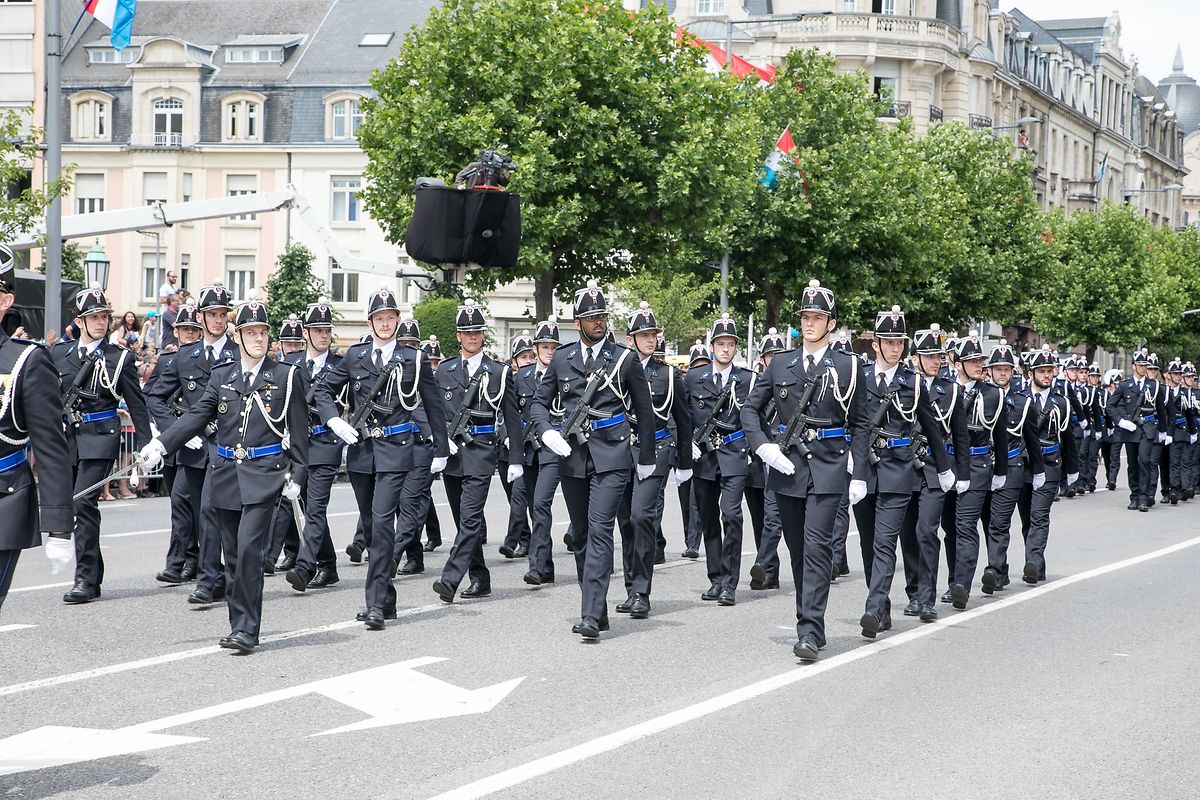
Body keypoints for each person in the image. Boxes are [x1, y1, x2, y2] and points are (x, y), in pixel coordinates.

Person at [140, 294, 309, 654]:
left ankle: (249, 629)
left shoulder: (286, 377)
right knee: (231, 554)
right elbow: (196, 417)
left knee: (248, 549)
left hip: (266, 475)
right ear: (240, 334)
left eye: (263, 332)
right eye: (251, 332)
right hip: (226, 473)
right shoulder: (222, 377)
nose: (258, 338)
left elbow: (300, 436)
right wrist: (161, 445)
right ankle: (238, 624)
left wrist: (297, 478)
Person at [741, 279, 870, 662]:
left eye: (818, 317)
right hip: (787, 468)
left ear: (831, 323)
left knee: (816, 549)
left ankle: (809, 630)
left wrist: (859, 471)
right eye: (805, 317)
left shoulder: (848, 366)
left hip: (829, 467)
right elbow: (750, 409)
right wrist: (763, 446)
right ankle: (811, 620)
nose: (810, 323)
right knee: (797, 551)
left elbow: (861, 422)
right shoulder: (781, 362)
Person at [528, 280, 655, 639]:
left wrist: (645, 457)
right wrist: (547, 431)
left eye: (601, 316)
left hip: (613, 454)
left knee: (600, 530)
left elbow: (644, 412)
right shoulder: (562, 358)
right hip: (572, 457)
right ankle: (596, 610)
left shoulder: (623, 358)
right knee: (581, 534)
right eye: (590, 317)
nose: (597, 322)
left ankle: (589, 615)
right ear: (577, 322)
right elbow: (538, 402)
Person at [315, 288, 449, 629]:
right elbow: (323, 390)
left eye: (390, 318)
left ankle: (374, 603)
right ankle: (387, 599)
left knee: (383, 519)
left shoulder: (413, 358)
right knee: (373, 527)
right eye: (379, 318)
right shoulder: (354, 356)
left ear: (397, 321)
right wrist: (333, 419)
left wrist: (442, 448)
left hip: (396, 451)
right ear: (370, 321)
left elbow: (433, 404)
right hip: (362, 453)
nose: (385, 323)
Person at [851, 306, 953, 637]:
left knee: (884, 543)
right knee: (868, 544)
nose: (895, 348)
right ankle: (881, 608)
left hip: (897, 470)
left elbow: (933, 428)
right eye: (889, 341)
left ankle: (872, 606)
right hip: (864, 472)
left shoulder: (914, 383)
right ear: (876, 344)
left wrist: (945, 468)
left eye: (899, 342)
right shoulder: (859, 378)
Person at [52, 283, 152, 604]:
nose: (100, 322)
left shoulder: (119, 357)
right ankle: (93, 575)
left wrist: (147, 446)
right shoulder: (59, 354)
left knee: (83, 502)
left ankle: (84, 577)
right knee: (74, 505)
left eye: (104, 316)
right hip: (68, 439)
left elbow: (136, 404)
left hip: (101, 437)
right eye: (93, 317)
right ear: (79, 321)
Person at [146, 285, 239, 604]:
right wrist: (178, 431)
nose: (217, 320)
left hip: (227, 445)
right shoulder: (186, 355)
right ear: (200, 317)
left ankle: (211, 577)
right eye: (211, 314)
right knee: (199, 513)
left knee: (212, 510)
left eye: (222, 314)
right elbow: (156, 396)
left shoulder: (239, 354)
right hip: (193, 447)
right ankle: (216, 575)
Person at [0, 243, 73, 615]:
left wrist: (59, 525)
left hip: (3, 497)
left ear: (5, 301)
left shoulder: (25, 360)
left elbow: (50, 446)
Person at [431, 299, 519, 604]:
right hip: (453, 455)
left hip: (481, 451)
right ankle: (480, 577)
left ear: (483, 335)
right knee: (462, 521)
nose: (472, 336)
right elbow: (434, 412)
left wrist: (516, 459)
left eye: (477, 331)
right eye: (467, 332)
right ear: (458, 335)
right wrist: (441, 439)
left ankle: (450, 579)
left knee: (470, 521)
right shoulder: (444, 370)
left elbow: (511, 416)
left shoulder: (497, 371)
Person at [615, 302, 693, 619]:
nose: (651, 340)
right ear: (631, 339)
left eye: (653, 334)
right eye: (644, 335)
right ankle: (631, 587)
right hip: (622, 452)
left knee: (641, 517)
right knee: (625, 522)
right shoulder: (617, 369)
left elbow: (683, 420)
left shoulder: (669, 375)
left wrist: (685, 462)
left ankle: (641, 593)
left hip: (657, 450)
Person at [687, 312, 756, 607]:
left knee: (731, 514)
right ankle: (715, 578)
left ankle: (730, 583)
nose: (725, 349)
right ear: (712, 346)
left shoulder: (747, 380)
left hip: (734, 454)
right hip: (704, 457)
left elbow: (756, 418)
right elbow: (685, 416)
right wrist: (686, 443)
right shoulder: (694, 378)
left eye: (730, 344)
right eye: (720, 344)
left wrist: (755, 449)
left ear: (735, 348)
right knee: (708, 519)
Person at [900, 324, 968, 622]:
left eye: (939, 356)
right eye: (929, 356)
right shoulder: (902, 385)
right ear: (915, 358)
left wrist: (961, 473)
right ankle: (914, 592)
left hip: (934, 468)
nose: (935, 361)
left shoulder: (950, 390)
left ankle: (927, 597)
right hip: (904, 466)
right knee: (907, 534)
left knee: (927, 531)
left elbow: (961, 435)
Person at [282, 299, 346, 592]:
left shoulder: (340, 365)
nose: (323, 335)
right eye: (317, 330)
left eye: (327, 330)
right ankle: (329, 565)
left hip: (325, 443)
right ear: (305, 332)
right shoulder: (292, 364)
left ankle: (306, 567)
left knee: (316, 508)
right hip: (298, 446)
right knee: (307, 506)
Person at [945, 330, 1008, 611]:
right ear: (958, 364)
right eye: (972, 361)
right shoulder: (945, 389)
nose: (979, 365)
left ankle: (962, 584)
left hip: (976, 464)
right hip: (946, 465)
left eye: (980, 360)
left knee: (965, 526)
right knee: (949, 528)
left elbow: (1002, 436)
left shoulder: (992, 394)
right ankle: (951, 581)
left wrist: (1001, 471)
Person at [145, 301, 204, 584]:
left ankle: (184, 562)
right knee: (179, 504)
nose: (190, 334)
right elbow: (151, 395)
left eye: (195, 329)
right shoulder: (168, 360)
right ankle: (184, 560)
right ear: (176, 331)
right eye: (185, 330)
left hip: (199, 441)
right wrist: (170, 430)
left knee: (190, 502)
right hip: (173, 442)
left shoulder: (207, 361)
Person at [1017, 346, 1080, 582]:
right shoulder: (1019, 398)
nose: (1046, 375)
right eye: (1041, 371)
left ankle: (1032, 562)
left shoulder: (1061, 402)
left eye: (1049, 371)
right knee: (1026, 518)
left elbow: (1068, 436)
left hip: (1049, 463)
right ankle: (1036, 564)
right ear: (1030, 373)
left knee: (1039, 516)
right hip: (1024, 464)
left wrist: (1072, 469)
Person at [517, 317, 562, 586]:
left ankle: (536, 565)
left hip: (553, 449)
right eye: (544, 346)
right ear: (535, 348)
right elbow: (511, 412)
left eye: (553, 346)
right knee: (534, 508)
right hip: (528, 449)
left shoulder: (565, 373)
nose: (549, 351)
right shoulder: (521, 376)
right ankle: (547, 565)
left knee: (541, 504)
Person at [266, 314, 308, 572]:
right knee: (280, 498)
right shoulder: (272, 370)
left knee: (292, 498)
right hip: (276, 442)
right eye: (288, 345)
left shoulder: (300, 370)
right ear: (279, 345)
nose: (292, 349)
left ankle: (270, 555)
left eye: (296, 345)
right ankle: (290, 550)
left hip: (302, 439)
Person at [1106, 350, 1167, 512]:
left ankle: (1143, 497)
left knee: (1144, 461)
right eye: (1140, 365)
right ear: (1133, 366)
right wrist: (1121, 422)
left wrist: (1163, 430)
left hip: (1147, 428)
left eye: (1145, 365)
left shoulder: (1153, 385)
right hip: (1130, 429)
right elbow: (1110, 406)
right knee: (1132, 464)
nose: (1143, 368)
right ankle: (1134, 497)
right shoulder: (1125, 385)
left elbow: (1161, 409)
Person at [498, 332, 535, 561]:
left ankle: (512, 541)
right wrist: (507, 436)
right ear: (514, 361)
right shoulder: (507, 380)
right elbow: (500, 413)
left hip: (530, 446)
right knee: (513, 495)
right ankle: (525, 538)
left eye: (532, 356)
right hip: (506, 447)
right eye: (524, 357)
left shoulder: (541, 377)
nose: (529, 361)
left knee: (522, 495)